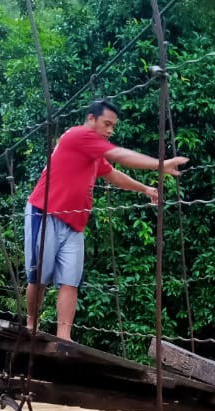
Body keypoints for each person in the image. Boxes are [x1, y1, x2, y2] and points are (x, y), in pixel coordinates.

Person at [25, 99, 188, 338]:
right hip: (45, 213)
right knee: (39, 278)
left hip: (75, 224)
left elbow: (113, 174)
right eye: (107, 124)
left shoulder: (92, 154)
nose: (110, 130)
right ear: (91, 119)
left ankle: (64, 337)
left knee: (70, 281)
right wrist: (160, 165)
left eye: (113, 126)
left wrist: (145, 189)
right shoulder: (78, 136)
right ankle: (31, 325)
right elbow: (119, 155)